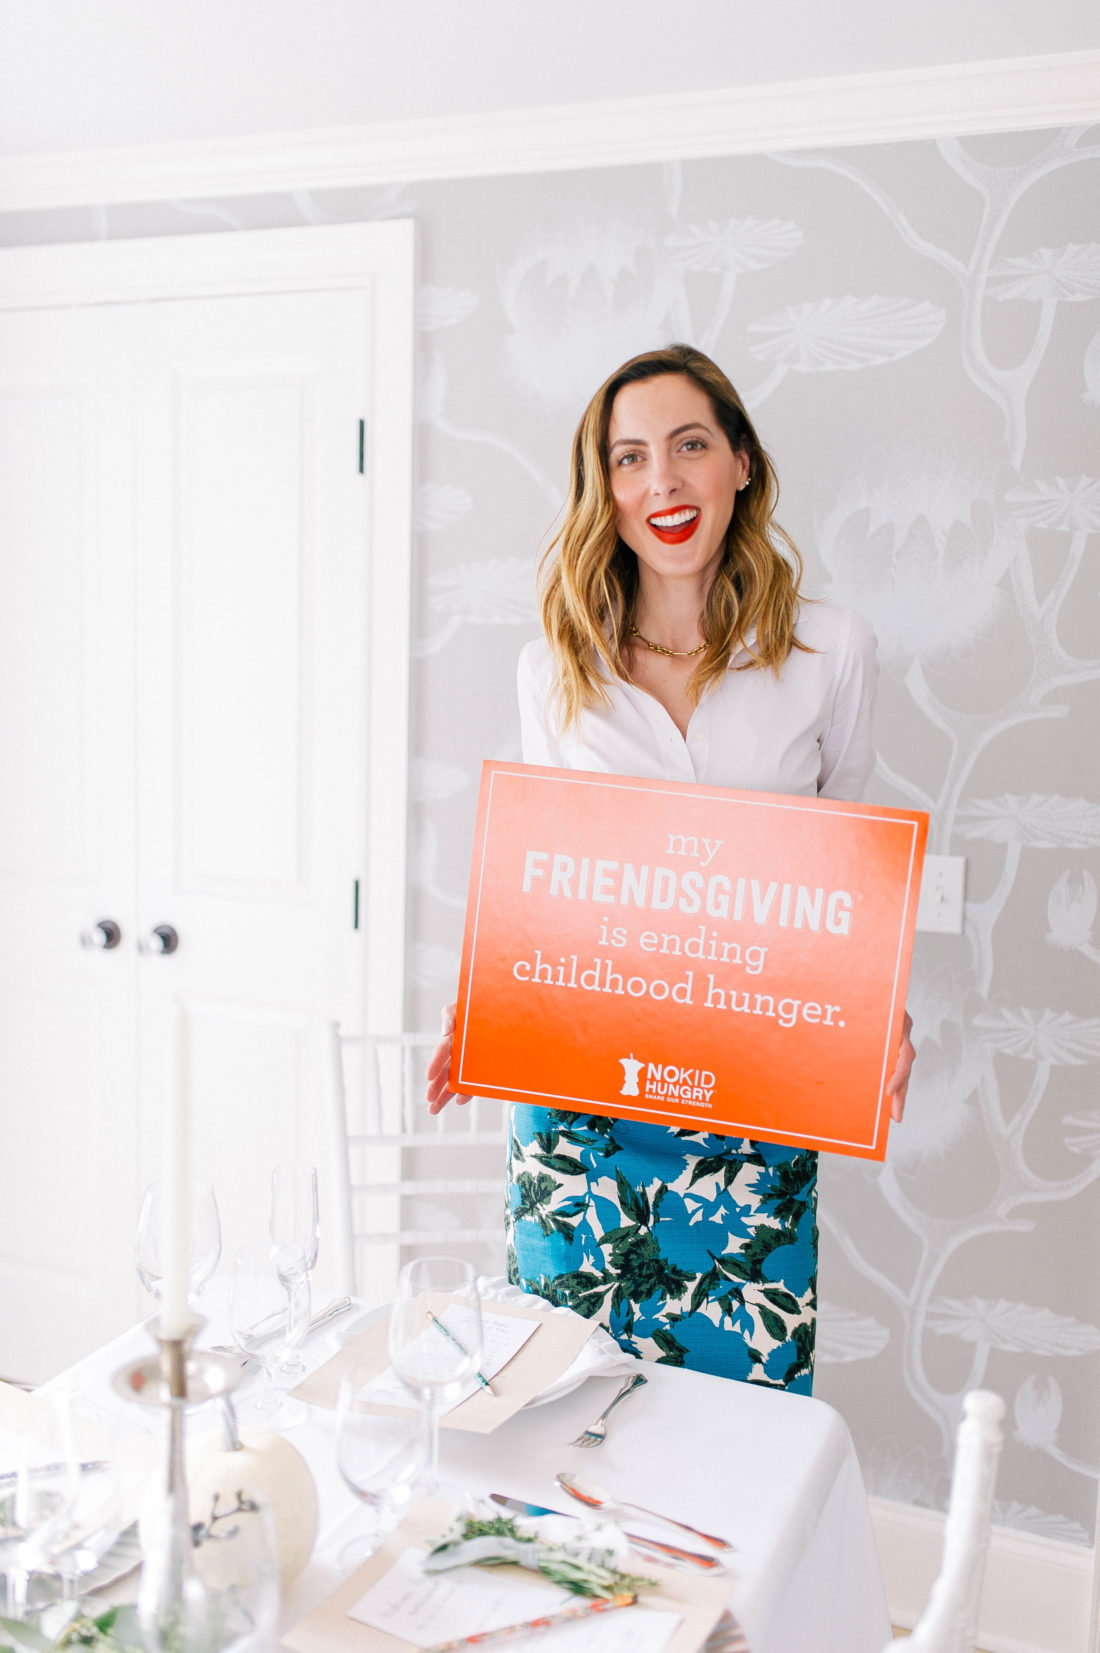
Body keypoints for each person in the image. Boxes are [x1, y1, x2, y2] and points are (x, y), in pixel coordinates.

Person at [426, 343, 915, 1393]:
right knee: (557, 1400)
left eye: (689, 446)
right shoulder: (553, 664)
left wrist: (882, 1014)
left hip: (753, 1094)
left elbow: (849, 867)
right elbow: (542, 880)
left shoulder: (833, 651)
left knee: (745, 1406)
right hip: (578, 1109)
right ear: (603, 488)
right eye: (630, 457)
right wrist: (486, 1002)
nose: (662, 482)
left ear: (739, 461)